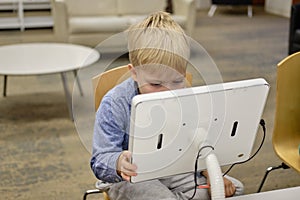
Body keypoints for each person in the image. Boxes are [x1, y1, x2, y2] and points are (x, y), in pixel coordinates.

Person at [91, 11, 244, 200]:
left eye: (177, 81)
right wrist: (118, 162)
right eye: (155, 84)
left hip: (174, 170)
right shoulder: (114, 103)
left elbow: (196, 142)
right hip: (131, 177)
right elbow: (99, 160)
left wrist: (211, 174)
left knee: (233, 189)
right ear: (134, 73)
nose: (168, 92)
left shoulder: (186, 95)